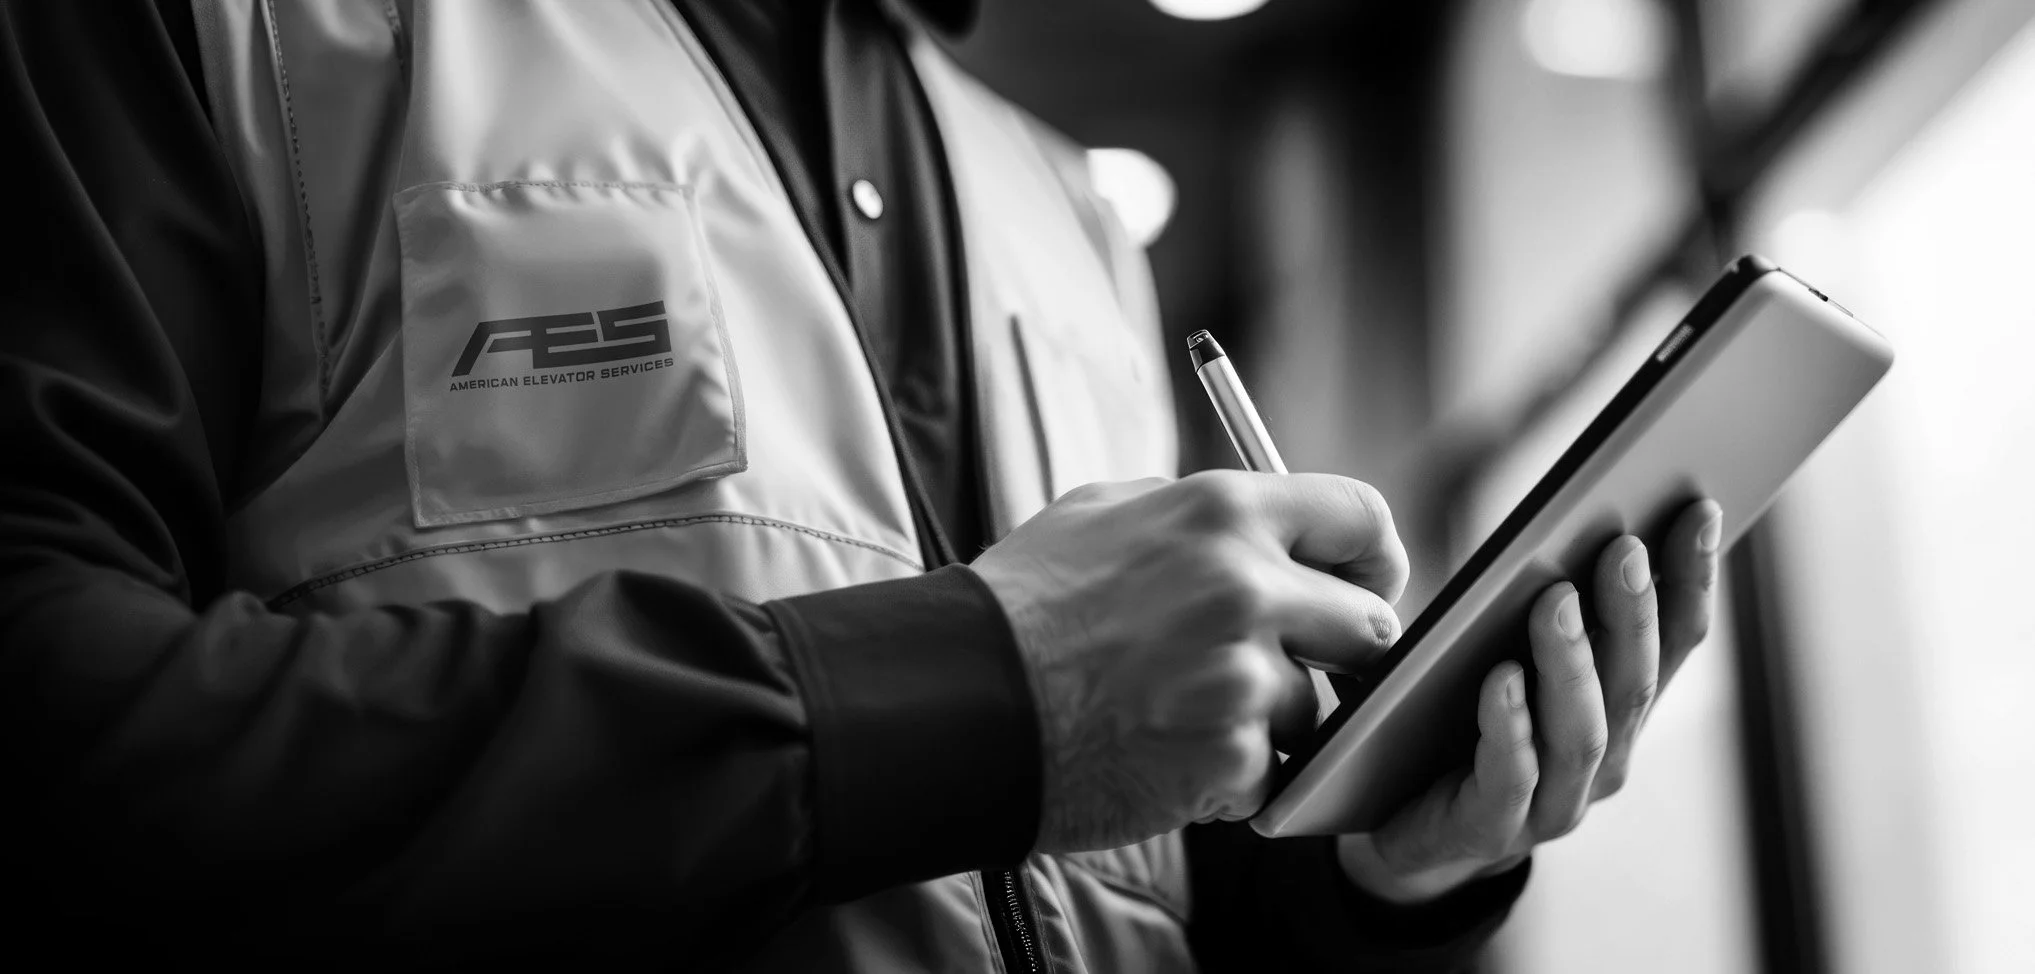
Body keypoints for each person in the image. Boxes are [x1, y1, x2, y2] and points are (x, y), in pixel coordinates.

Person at [0, 0, 1723, 969]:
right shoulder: (235, 28)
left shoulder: (1066, 209)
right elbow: (61, 749)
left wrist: (1366, 874)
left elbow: (1109, 898)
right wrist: (972, 694)